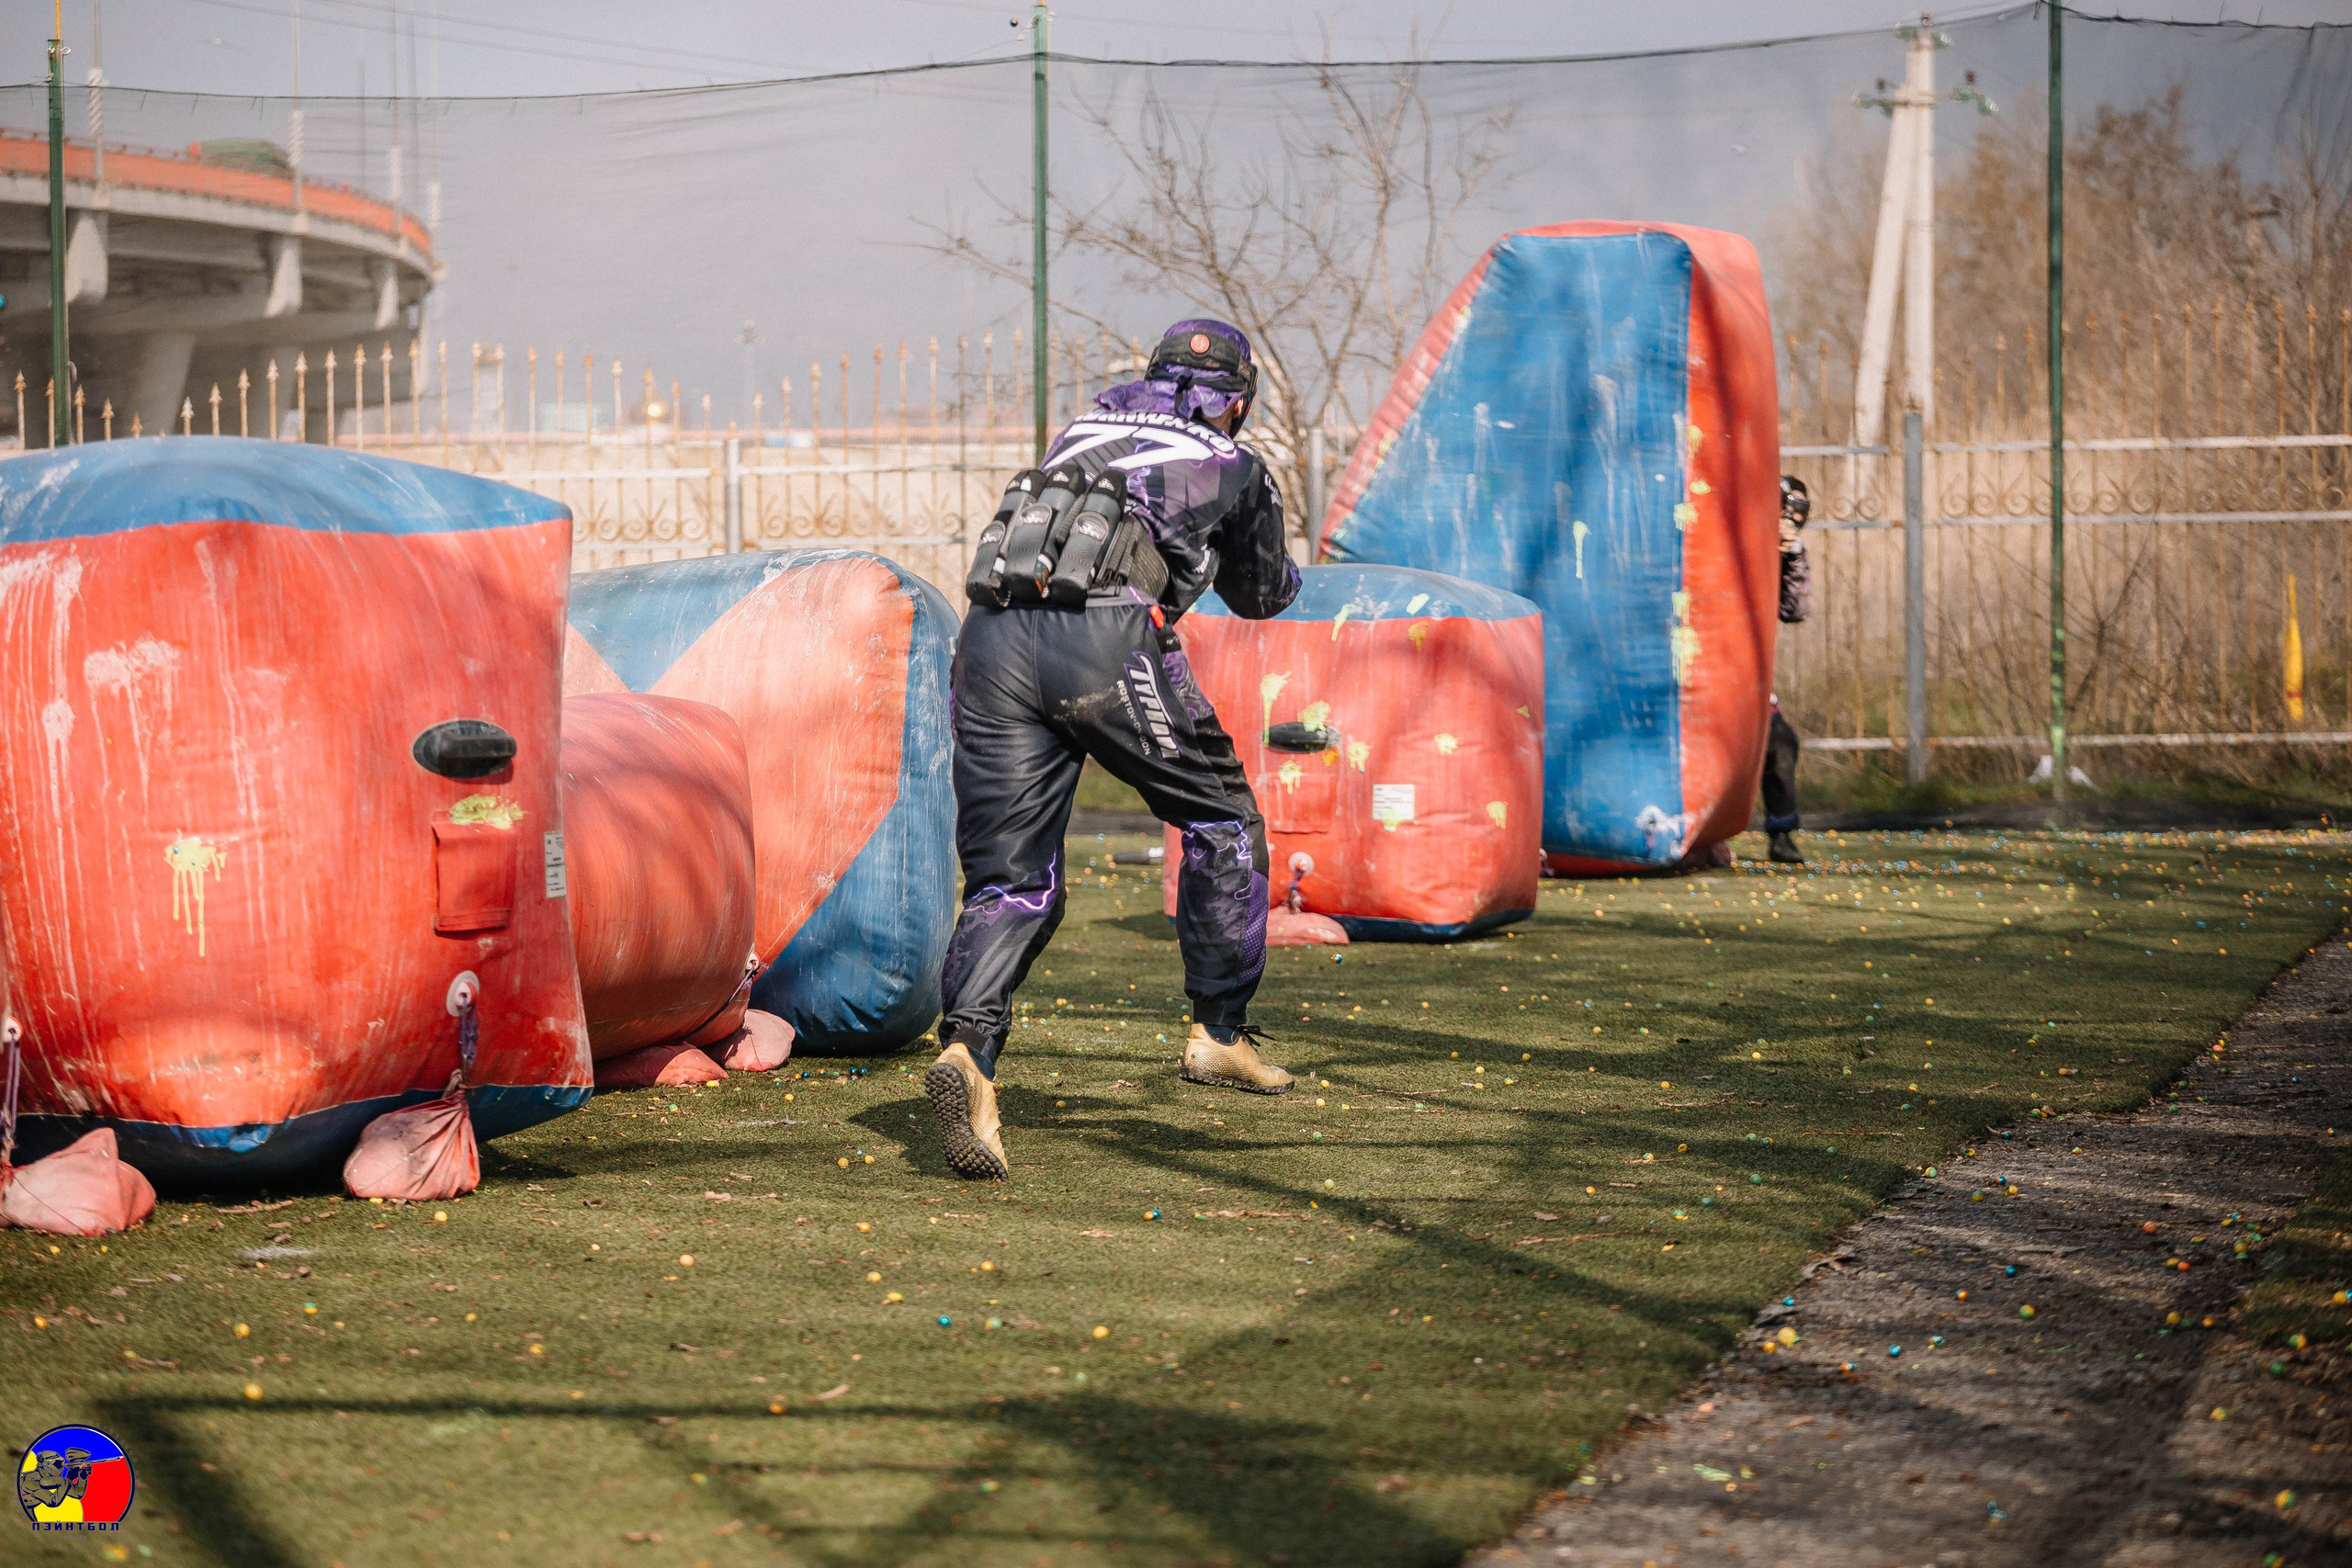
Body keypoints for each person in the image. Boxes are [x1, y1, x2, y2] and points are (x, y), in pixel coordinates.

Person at [925, 319, 1303, 1179]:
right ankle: (1218, 1030)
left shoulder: (1079, 431)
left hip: (987, 640)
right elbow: (1263, 594)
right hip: (1104, 640)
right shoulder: (1234, 460)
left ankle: (969, 1055)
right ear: (1237, 402)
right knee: (1223, 822)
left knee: (1011, 881)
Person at [1762, 475, 1811, 865]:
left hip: (1749, 680)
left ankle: (1782, 835)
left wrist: (1791, 552)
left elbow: (1793, 610)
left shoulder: (1784, 555)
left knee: (1780, 743)